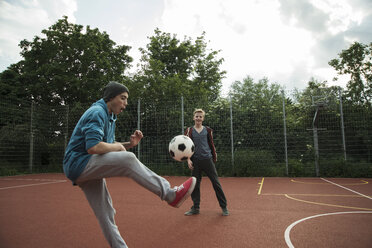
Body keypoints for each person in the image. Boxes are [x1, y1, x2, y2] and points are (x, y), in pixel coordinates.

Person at [63, 81, 196, 248]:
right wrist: (121, 149)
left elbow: (107, 147)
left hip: (84, 166)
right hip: (79, 163)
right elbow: (93, 147)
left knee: (106, 213)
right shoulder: (97, 112)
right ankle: (169, 194)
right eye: (123, 98)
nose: (126, 103)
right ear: (110, 97)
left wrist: (128, 144)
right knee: (128, 159)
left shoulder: (110, 116)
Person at [184, 109, 229, 216]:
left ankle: (224, 207)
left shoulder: (208, 130)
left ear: (203, 118)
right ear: (193, 118)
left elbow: (211, 144)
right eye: (197, 116)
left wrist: (214, 158)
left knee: (216, 183)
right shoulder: (189, 130)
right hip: (195, 161)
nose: (198, 118)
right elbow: (185, 146)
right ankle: (195, 207)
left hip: (207, 159)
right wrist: (188, 159)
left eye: (200, 116)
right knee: (195, 185)